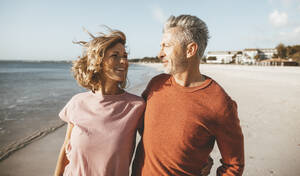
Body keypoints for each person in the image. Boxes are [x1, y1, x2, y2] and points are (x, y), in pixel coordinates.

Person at [132, 15, 244, 176]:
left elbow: (234, 165)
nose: (159, 54)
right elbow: (142, 128)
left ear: (190, 50)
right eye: (161, 46)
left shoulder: (220, 103)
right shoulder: (156, 85)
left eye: (167, 46)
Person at [54, 28, 145, 176]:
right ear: (98, 61)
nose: (123, 61)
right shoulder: (77, 102)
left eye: (124, 56)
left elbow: (154, 150)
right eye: (115, 56)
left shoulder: (136, 106)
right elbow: (65, 151)